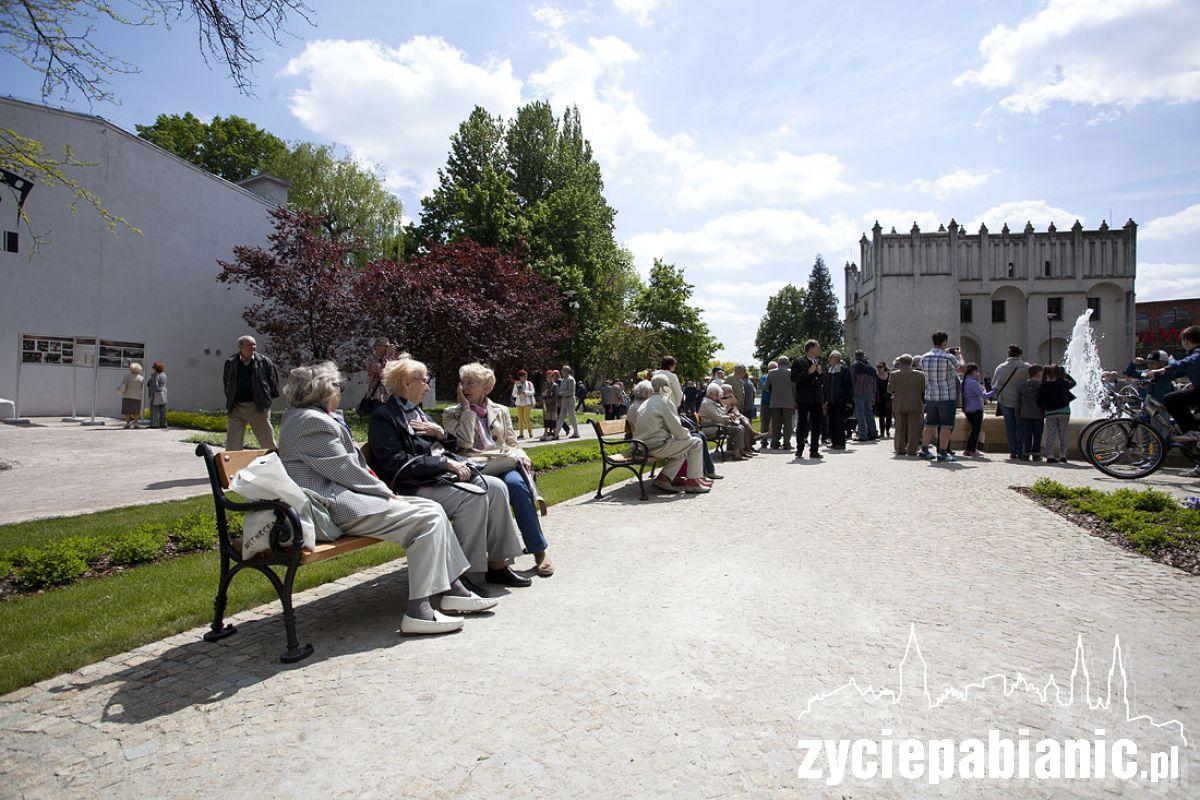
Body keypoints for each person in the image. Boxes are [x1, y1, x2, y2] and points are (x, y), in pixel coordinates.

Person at [277, 361, 493, 636]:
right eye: (335, 385)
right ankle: (419, 611)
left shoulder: (312, 417)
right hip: (334, 505)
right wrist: (387, 493)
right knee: (426, 518)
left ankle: (454, 590)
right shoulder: (310, 421)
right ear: (320, 389)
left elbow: (347, 469)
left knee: (431, 508)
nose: (339, 390)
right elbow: (346, 471)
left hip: (347, 497)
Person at [368, 357, 530, 590]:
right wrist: (443, 464)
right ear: (406, 383)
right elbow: (394, 463)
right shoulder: (386, 416)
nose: (427, 385)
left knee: (496, 487)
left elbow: (448, 446)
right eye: (424, 380)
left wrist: (441, 435)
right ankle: (465, 574)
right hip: (413, 486)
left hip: (438, 478)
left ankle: (498, 566)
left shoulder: (417, 412)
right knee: (473, 496)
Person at [444, 363, 554, 577]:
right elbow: (464, 444)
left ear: (485, 388)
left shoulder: (501, 411)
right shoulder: (451, 413)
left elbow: (512, 443)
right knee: (500, 485)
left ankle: (539, 552)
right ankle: (498, 557)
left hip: (503, 462)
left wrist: (522, 455)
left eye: (470, 383)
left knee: (517, 486)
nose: (464, 387)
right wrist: (467, 410)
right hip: (475, 467)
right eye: (463, 382)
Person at [635, 376, 709, 494]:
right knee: (696, 442)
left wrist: (682, 437)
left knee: (681, 449)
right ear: (665, 387)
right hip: (656, 446)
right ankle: (693, 483)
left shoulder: (646, 402)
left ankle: (663, 479)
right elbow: (676, 428)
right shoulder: (664, 401)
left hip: (641, 446)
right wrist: (687, 435)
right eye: (668, 385)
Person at [223, 335, 280, 451]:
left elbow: (273, 383)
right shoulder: (231, 362)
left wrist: (265, 399)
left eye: (254, 344)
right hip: (236, 407)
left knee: (267, 442)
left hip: (258, 406)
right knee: (233, 443)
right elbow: (226, 383)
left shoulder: (264, 362)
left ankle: (275, 465)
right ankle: (233, 467)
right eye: (249, 345)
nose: (253, 347)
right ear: (241, 347)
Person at [1149, 324, 1200, 445]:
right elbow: (1177, 373)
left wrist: (1163, 369)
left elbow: (1185, 363)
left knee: (1170, 399)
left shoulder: (1197, 353)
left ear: (1186, 341)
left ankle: (1192, 431)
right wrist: (1157, 377)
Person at [918, 332, 962, 462]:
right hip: (946, 395)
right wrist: (960, 355)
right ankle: (942, 453)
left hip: (931, 395)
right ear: (944, 342)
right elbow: (962, 368)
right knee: (946, 425)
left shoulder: (924, 357)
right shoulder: (948, 357)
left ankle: (924, 450)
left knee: (930, 424)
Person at [991, 345, 1029, 461]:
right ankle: (1021, 450)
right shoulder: (1026, 367)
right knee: (1021, 426)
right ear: (1020, 354)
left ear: (1008, 355)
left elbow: (994, 386)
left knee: (1010, 427)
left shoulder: (1001, 368)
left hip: (1005, 400)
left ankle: (1013, 451)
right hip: (1021, 401)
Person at [792, 340, 825, 459]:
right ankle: (799, 449)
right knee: (802, 423)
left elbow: (822, 381)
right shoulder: (799, 361)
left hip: (816, 398)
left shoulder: (819, 361)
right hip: (804, 398)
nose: (820, 349)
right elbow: (794, 378)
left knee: (816, 424)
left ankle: (814, 450)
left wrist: (821, 374)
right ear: (811, 348)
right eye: (818, 347)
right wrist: (808, 372)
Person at [1037, 364, 1077, 463]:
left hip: (1050, 412)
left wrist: (1044, 409)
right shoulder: (1063, 383)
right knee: (1063, 433)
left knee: (1051, 433)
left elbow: (1039, 400)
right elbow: (1074, 383)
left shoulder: (1044, 385)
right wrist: (1065, 374)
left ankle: (1050, 455)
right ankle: (1063, 455)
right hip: (1064, 411)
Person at [887, 354, 925, 456]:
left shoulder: (894, 374)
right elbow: (923, 389)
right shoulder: (920, 374)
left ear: (901, 363)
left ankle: (900, 448)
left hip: (899, 403)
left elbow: (890, 390)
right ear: (911, 362)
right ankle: (912, 449)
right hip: (915, 402)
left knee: (900, 427)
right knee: (914, 427)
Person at [823, 350, 853, 451]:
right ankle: (834, 442)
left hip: (841, 400)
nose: (829, 359)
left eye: (830, 357)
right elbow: (825, 386)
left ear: (836, 358)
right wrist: (824, 400)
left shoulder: (844, 370)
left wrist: (849, 401)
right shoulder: (828, 369)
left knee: (839, 422)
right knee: (831, 422)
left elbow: (849, 386)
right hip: (830, 401)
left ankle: (841, 443)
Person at [960, 363, 990, 457]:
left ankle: (969, 449)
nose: (978, 374)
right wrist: (995, 391)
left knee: (974, 430)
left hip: (967, 408)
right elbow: (984, 396)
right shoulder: (973, 383)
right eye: (977, 372)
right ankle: (972, 450)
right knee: (976, 430)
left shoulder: (964, 382)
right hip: (976, 408)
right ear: (973, 372)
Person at [1017, 364, 1046, 461]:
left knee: (1026, 434)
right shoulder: (1041, 386)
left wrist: (1018, 413)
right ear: (1038, 373)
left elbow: (1018, 400)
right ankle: (1036, 453)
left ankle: (1026, 452)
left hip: (1025, 413)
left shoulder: (1022, 385)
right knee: (1038, 434)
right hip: (1038, 413)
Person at [766, 356, 794, 450]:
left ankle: (775, 443)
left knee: (776, 423)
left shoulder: (771, 373)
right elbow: (795, 388)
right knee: (788, 424)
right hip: (788, 401)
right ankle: (786, 443)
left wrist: (773, 392)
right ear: (788, 363)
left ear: (778, 363)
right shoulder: (792, 373)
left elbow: (766, 387)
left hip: (775, 401)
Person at [362, 337, 395, 416]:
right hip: (378, 394)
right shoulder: (371, 359)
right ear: (378, 347)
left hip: (389, 394)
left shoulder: (389, 359)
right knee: (381, 417)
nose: (388, 348)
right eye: (386, 346)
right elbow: (382, 372)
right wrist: (388, 356)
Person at [850, 350, 878, 441]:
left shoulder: (855, 365)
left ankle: (863, 435)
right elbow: (874, 383)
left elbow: (852, 380)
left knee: (860, 414)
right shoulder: (871, 367)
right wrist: (873, 394)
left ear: (856, 356)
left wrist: (850, 393)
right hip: (869, 393)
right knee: (869, 413)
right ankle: (873, 433)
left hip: (858, 393)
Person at [117, 362, 144, 428]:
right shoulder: (141, 378)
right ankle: (136, 423)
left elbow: (123, 384)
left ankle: (128, 423)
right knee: (136, 411)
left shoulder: (127, 376)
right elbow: (142, 387)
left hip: (127, 395)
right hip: (137, 396)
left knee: (127, 411)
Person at [556, 365, 580, 439]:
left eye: (563, 370)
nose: (562, 372)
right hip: (564, 402)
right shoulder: (564, 379)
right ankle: (556, 433)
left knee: (572, 417)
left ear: (567, 371)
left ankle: (576, 433)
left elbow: (571, 392)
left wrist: (560, 393)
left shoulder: (571, 380)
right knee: (561, 417)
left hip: (570, 402)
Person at [510, 369, 536, 439]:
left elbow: (533, 392)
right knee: (520, 419)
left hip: (527, 403)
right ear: (520, 377)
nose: (525, 377)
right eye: (524, 376)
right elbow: (513, 394)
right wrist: (517, 394)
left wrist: (526, 392)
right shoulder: (517, 383)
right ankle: (521, 434)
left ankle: (530, 432)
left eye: (526, 376)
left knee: (526, 417)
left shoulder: (529, 383)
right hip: (519, 403)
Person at [147, 361, 168, 429]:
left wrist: (151, 395)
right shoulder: (164, 374)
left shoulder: (155, 375)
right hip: (164, 392)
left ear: (155, 368)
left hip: (156, 393)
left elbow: (154, 386)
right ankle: (163, 424)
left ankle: (154, 424)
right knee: (163, 409)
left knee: (154, 409)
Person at [759, 362, 775, 446]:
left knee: (775, 423)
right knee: (765, 422)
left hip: (774, 403)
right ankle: (764, 440)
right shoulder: (765, 377)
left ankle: (773, 441)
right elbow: (764, 387)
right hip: (767, 402)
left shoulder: (776, 377)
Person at [875, 362, 892, 439]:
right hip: (879, 398)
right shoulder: (876, 376)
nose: (879, 368)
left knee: (888, 415)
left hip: (888, 397)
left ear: (884, 367)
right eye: (877, 367)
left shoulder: (889, 375)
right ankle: (882, 432)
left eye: (880, 367)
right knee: (881, 416)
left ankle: (888, 430)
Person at [541, 370, 559, 440]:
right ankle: (553, 434)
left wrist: (546, 400)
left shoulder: (555, 386)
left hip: (552, 406)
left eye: (551, 377)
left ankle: (550, 434)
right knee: (546, 420)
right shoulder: (544, 385)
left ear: (553, 377)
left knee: (552, 421)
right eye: (548, 377)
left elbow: (555, 398)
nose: (549, 378)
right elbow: (541, 394)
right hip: (545, 406)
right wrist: (543, 397)